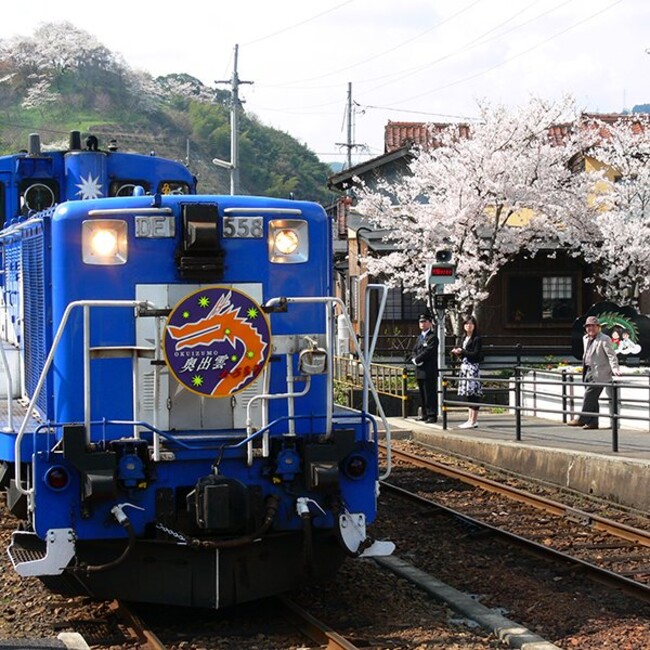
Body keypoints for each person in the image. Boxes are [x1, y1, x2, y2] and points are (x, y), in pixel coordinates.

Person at [568, 315, 621, 430]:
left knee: (589, 395)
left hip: (599, 372)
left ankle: (582, 419)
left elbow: (611, 355)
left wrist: (615, 368)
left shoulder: (604, 339)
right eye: (588, 326)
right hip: (587, 370)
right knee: (593, 398)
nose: (590, 328)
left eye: (593, 326)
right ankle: (593, 422)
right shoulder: (585, 338)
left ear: (598, 327)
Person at [451, 315, 483, 429]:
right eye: (466, 324)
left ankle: (474, 420)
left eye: (471, 324)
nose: (468, 326)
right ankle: (469, 419)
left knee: (474, 393)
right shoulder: (463, 337)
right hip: (464, 367)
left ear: (474, 326)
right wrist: (457, 352)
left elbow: (475, 354)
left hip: (472, 368)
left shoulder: (477, 339)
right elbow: (462, 352)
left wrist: (462, 351)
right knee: (468, 394)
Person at [411, 312, 439, 423]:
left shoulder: (432, 337)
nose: (422, 324)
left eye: (424, 321)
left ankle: (432, 414)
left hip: (429, 369)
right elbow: (414, 350)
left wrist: (418, 359)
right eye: (420, 322)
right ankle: (425, 414)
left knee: (430, 393)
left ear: (430, 323)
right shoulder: (419, 337)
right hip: (420, 369)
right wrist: (414, 359)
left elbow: (429, 351)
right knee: (422, 393)